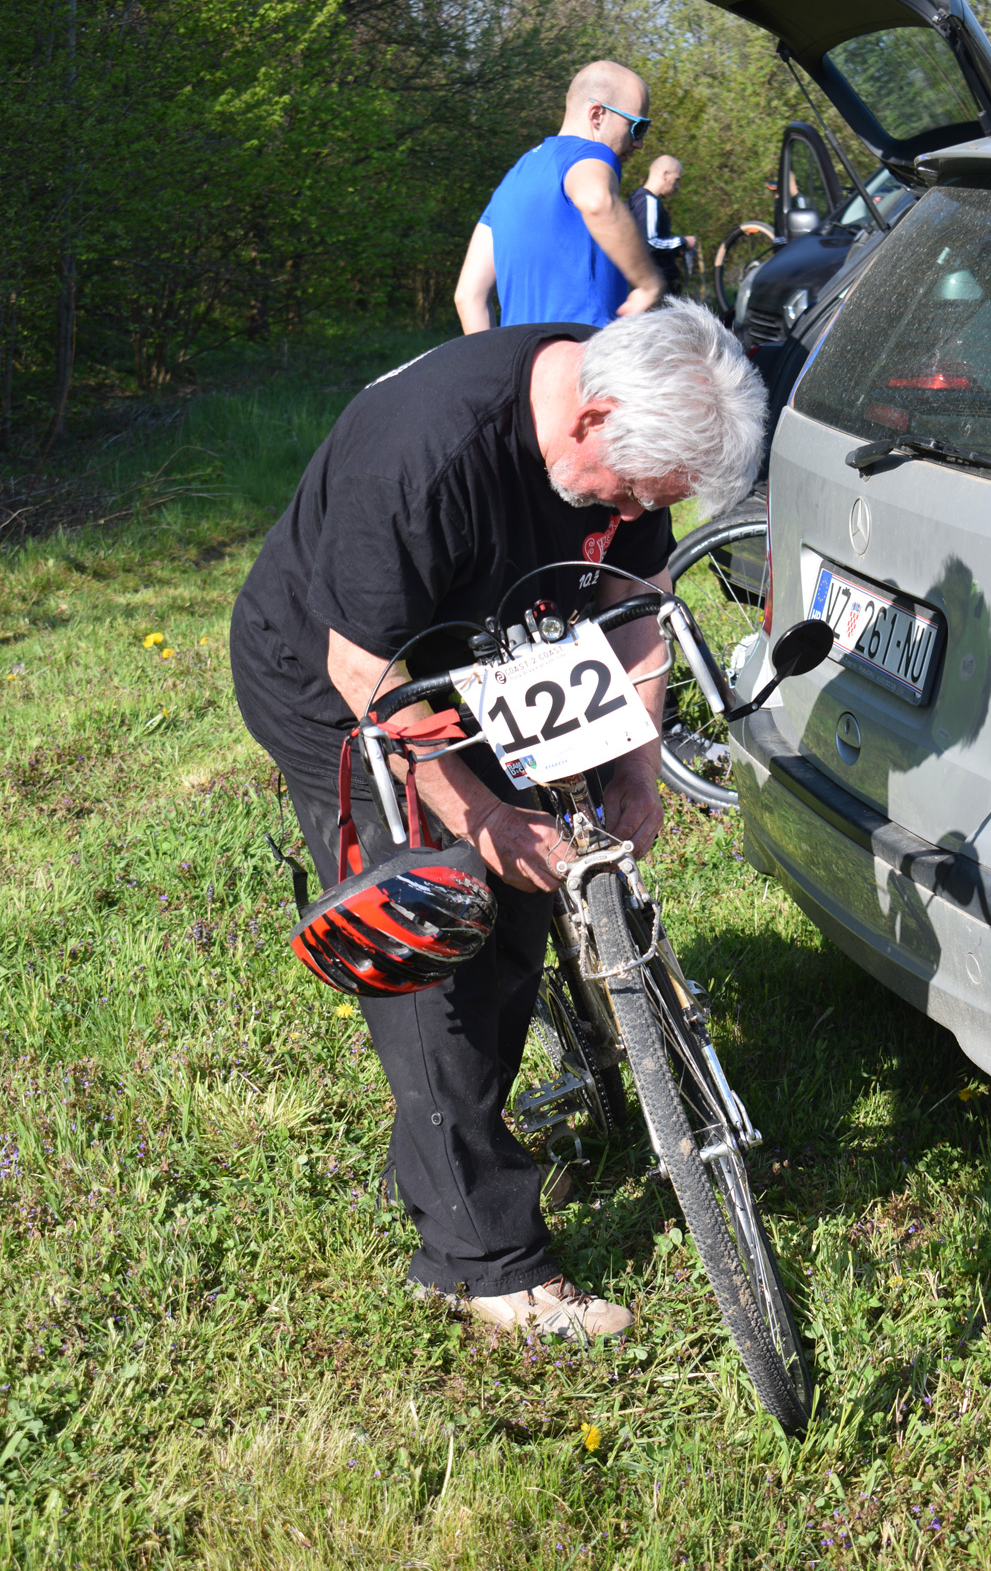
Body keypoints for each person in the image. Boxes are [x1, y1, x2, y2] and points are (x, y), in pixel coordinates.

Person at [229, 299, 766, 1340]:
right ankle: (478, 1261)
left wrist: (640, 767)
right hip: (334, 669)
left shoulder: (629, 410)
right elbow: (364, 673)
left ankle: (476, 1121)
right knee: (445, 933)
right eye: (626, 493)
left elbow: (640, 600)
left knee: (528, 896)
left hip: (482, 644)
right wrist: (478, 820)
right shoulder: (424, 459)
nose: (628, 512)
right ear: (588, 419)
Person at [453, 60, 664, 333]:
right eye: (637, 127)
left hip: (522, 365)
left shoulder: (512, 179)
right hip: (586, 359)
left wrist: (498, 368)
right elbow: (598, 202)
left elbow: (468, 296)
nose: (639, 143)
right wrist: (649, 283)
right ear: (597, 115)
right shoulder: (589, 153)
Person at [627, 156, 697, 296]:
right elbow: (650, 243)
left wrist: (675, 251)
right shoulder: (648, 201)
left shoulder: (636, 199)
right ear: (665, 174)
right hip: (656, 286)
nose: (677, 186)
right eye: (677, 180)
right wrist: (683, 242)